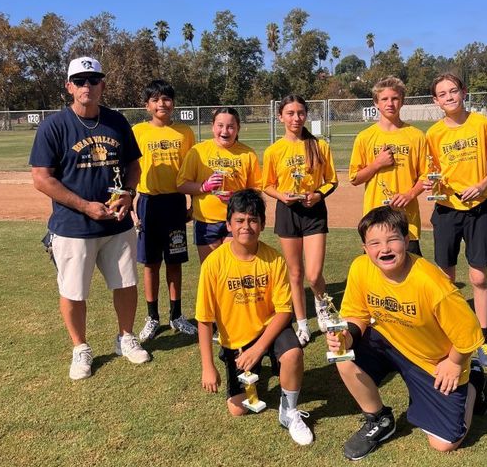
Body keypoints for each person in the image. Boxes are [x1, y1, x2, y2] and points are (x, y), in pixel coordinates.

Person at [327, 206, 487, 461]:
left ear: (406, 240)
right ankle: (379, 419)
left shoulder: (431, 282)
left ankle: (473, 382)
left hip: (433, 360)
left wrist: (455, 362)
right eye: (375, 243)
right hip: (389, 340)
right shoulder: (360, 268)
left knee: (444, 443)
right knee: (342, 354)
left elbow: (468, 330)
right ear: (365, 248)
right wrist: (346, 337)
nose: (385, 249)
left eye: (392, 239)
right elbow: (356, 314)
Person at [30, 56, 150, 380]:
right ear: (69, 86)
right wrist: (84, 206)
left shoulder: (117, 122)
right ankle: (80, 348)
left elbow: (134, 166)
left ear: (102, 85)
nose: (87, 86)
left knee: (126, 284)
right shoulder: (54, 126)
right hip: (73, 227)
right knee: (73, 291)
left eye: (93, 80)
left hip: (117, 222)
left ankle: (126, 337)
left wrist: (128, 192)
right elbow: (42, 177)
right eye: (80, 81)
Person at [195, 190, 313, 446]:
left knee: (293, 354)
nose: (246, 226)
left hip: (271, 328)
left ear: (262, 224)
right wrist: (207, 366)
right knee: (239, 408)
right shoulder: (213, 264)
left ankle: (289, 410)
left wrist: (259, 348)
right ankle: (255, 371)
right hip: (237, 340)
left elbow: (284, 311)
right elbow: (204, 319)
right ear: (228, 225)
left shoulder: (274, 260)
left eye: (252, 220)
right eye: (239, 220)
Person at [425, 73, 487, 368]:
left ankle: (482, 338)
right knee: (446, 280)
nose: (449, 97)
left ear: (463, 92)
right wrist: (430, 185)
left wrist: (481, 186)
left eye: (453, 91)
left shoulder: (483, 124)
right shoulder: (432, 134)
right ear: (435, 101)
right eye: (442, 94)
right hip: (446, 211)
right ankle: (452, 334)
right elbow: (430, 172)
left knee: (478, 277)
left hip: (479, 210)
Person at [262, 94, 338, 346]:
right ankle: (303, 324)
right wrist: (281, 196)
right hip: (288, 212)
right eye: (290, 113)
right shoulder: (274, 150)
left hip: (314, 211)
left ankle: (321, 305)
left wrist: (317, 194)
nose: (296, 118)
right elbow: (267, 185)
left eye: (301, 113)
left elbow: (332, 181)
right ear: (280, 116)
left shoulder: (319, 146)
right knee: (295, 273)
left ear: (306, 114)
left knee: (314, 275)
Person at [131, 79, 197, 342]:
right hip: (148, 203)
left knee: (175, 261)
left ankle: (177, 315)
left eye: (166, 99)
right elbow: (130, 170)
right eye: (156, 99)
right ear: (147, 106)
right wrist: (133, 210)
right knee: (150, 263)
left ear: (173, 103)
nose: (162, 103)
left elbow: (192, 170)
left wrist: (191, 203)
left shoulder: (184, 132)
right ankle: (152, 317)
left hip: (175, 203)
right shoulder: (138, 131)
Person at [349, 76, 428, 255]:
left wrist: (410, 194)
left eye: (395, 98)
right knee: (375, 277)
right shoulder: (365, 137)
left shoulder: (416, 136)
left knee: (410, 278)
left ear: (402, 101)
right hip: (375, 218)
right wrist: (377, 164)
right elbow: (354, 178)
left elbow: (426, 174)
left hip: (407, 219)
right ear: (376, 103)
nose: (390, 103)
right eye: (384, 99)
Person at [175, 107, 261, 264]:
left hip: (237, 219)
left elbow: (256, 189)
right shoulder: (198, 152)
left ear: (238, 128)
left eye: (230, 126)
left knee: (232, 269)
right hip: (206, 221)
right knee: (211, 271)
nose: (225, 131)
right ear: (212, 126)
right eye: (220, 125)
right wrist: (204, 186)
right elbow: (181, 185)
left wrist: (237, 196)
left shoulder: (248, 154)